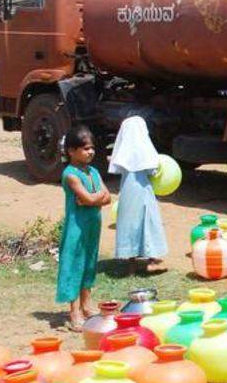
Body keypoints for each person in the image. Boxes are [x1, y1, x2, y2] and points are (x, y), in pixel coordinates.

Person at [57, 125, 112, 330]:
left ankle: (87, 306)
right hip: (76, 228)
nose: (90, 152)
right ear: (71, 151)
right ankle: (74, 312)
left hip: (92, 226)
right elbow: (92, 197)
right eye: (85, 148)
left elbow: (107, 198)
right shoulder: (70, 175)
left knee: (89, 264)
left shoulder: (94, 172)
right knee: (74, 265)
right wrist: (95, 198)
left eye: (92, 148)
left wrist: (93, 199)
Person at [108, 116, 169, 274]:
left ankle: (131, 264)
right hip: (144, 190)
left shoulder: (124, 154)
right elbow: (153, 169)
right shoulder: (145, 151)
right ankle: (151, 260)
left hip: (127, 191)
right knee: (147, 222)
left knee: (129, 223)